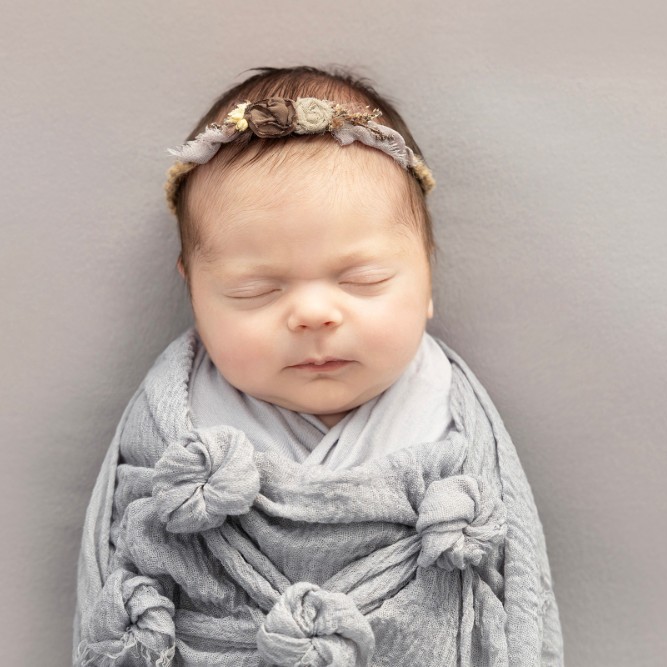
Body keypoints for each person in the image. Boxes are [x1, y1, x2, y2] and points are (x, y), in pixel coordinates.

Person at [73, 66, 564, 666]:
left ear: (427, 278)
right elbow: (116, 588)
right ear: (194, 292)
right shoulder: (170, 437)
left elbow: (517, 597)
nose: (312, 315)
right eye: (255, 290)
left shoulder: (455, 423)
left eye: (364, 279)